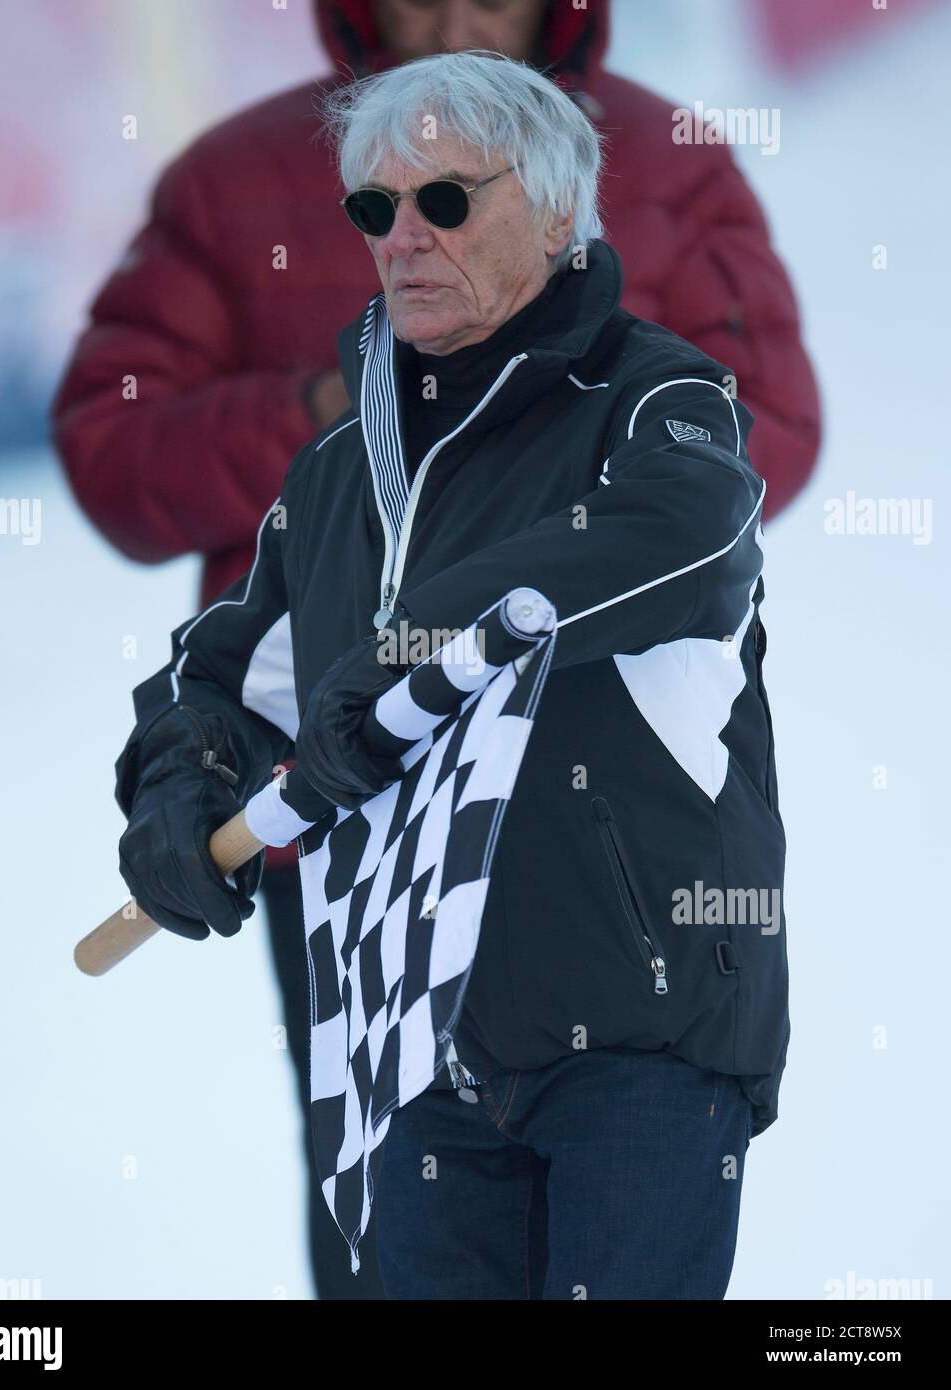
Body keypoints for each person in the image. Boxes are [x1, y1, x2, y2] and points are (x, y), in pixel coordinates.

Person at [52, 0, 818, 1299]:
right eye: (376, 209)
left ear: (563, 211)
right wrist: (181, 787)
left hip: (637, 1036)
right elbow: (232, 675)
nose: (403, 238)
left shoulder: (658, 403)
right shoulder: (340, 475)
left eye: (448, 201)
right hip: (406, 1054)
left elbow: (684, 537)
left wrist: (416, 651)